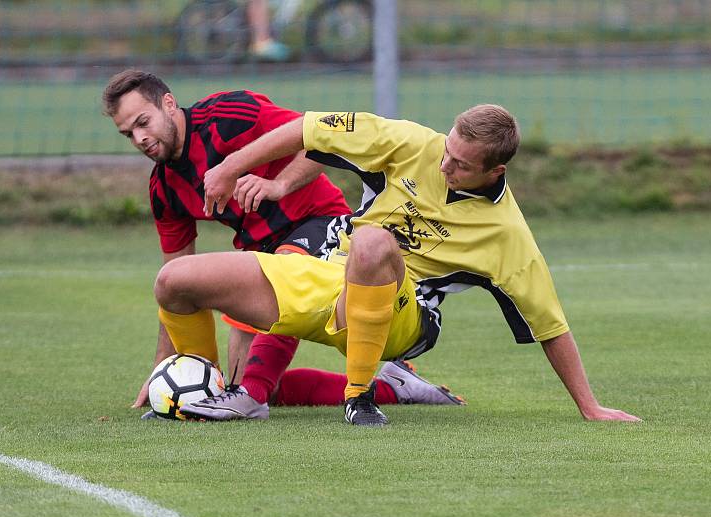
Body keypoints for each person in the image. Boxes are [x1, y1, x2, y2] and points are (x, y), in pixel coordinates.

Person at [153, 104, 641, 426]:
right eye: (447, 151)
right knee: (174, 282)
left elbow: (551, 326)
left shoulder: (507, 236)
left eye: (461, 164)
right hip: (330, 275)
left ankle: (360, 398)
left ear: (497, 171)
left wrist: (590, 407)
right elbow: (308, 127)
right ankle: (205, 392)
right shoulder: (411, 143)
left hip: (405, 317)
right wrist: (228, 168)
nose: (445, 166)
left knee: (371, 243)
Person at [101, 69, 463, 416]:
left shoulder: (229, 114)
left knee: (254, 381)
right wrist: (162, 370)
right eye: (127, 133)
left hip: (322, 227)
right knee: (255, 382)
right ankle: (396, 387)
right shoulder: (163, 188)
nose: (139, 139)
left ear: (167, 103)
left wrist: (279, 185)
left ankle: (248, 401)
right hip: (263, 254)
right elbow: (174, 282)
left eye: (142, 123)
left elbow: (322, 138)